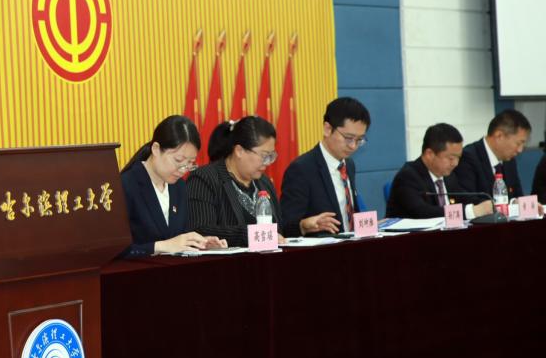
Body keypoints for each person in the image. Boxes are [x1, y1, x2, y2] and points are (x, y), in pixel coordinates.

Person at [119, 115, 227, 257]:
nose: (183, 170)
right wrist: (159, 246)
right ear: (156, 149)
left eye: (190, 163)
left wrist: (199, 244)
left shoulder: (179, 186)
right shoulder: (125, 185)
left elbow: (176, 238)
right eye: (178, 160)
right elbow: (114, 250)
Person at [186, 116, 284, 247]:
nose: (268, 162)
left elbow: (279, 229)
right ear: (239, 151)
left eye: (271, 156)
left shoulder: (264, 182)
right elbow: (201, 230)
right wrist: (251, 235)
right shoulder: (205, 179)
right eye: (264, 155)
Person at [280, 97, 369, 237]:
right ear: (328, 129)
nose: (353, 146)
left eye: (359, 140)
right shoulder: (301, 169)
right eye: (348, 138)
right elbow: (285, 226)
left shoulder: (349, 165)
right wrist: (303, 225)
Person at [385, 123, 493, 219]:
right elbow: (422, 212)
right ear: (429, 154)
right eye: (451, 158)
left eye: (458, 158)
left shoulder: (448, 176)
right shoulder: (408, 177)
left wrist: (487, 203)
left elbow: (464, 198)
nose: (455, 163)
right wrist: (469, 212)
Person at [449, 109, 530, 202]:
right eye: (518, 143)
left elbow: (517, 195)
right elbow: (469, 201)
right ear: (499, 136)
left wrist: (521, 203)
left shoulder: (509, 160)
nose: (520, 150)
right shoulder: (468, 158)